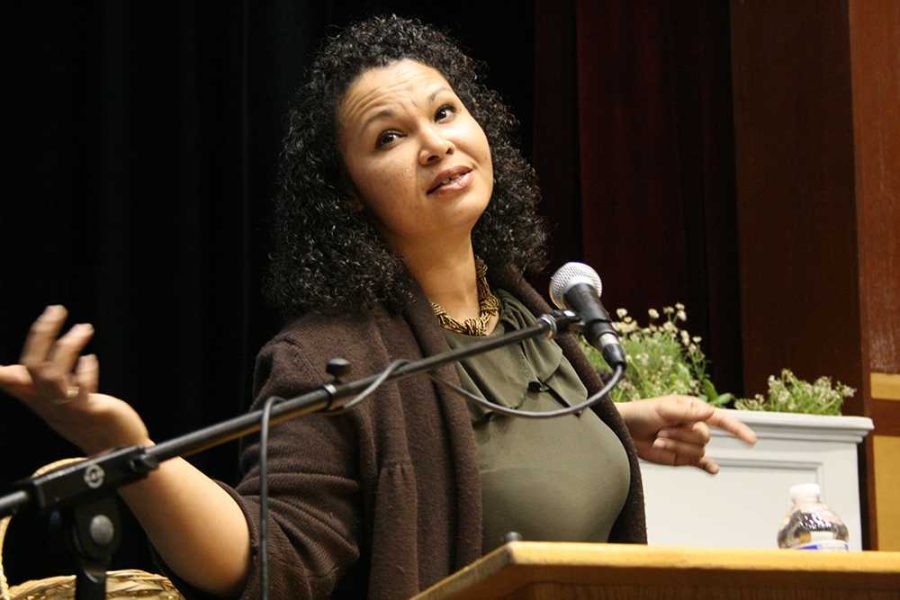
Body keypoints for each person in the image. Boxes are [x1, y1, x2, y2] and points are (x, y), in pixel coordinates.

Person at [0, 15, 756, 600]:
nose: (435, 144)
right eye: (390, 137)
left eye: (447, 113)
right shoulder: (335, 358)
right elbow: (268, 557)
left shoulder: (533, 315)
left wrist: (610, 424)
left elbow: (468, 454)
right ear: (349, 200)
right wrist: (128, 448)